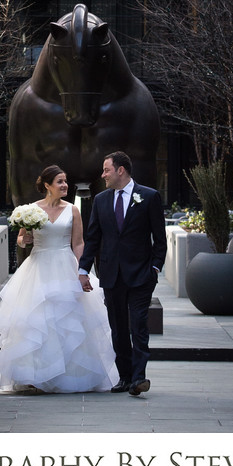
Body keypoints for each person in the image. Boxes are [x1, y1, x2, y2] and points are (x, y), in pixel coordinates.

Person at [0, 164, 118, 394]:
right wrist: (24, 239)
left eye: (65, 181)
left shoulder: (73, 210)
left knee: (68, 319)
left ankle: (68, 375)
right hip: (38, 268)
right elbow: (20, 240)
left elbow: (78, 243)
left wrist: (83, 271)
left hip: (64, 265)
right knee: (36, 320)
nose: (65, 185)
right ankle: (33, 376)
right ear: (47, 185)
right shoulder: (30, 210)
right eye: (59, 181)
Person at [78, 150, 166, 396]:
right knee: (118, 328)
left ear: (121, 170)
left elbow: (160, 239)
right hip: (111, 275)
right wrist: (83, 269)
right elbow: (93, 238)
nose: (102, 174)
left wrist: (155, 268)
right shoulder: (101, 200)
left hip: (141, 275)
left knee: (138, 325)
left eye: (106, 170)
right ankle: (124, 376)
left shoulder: (149, 196)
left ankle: (139, 378)